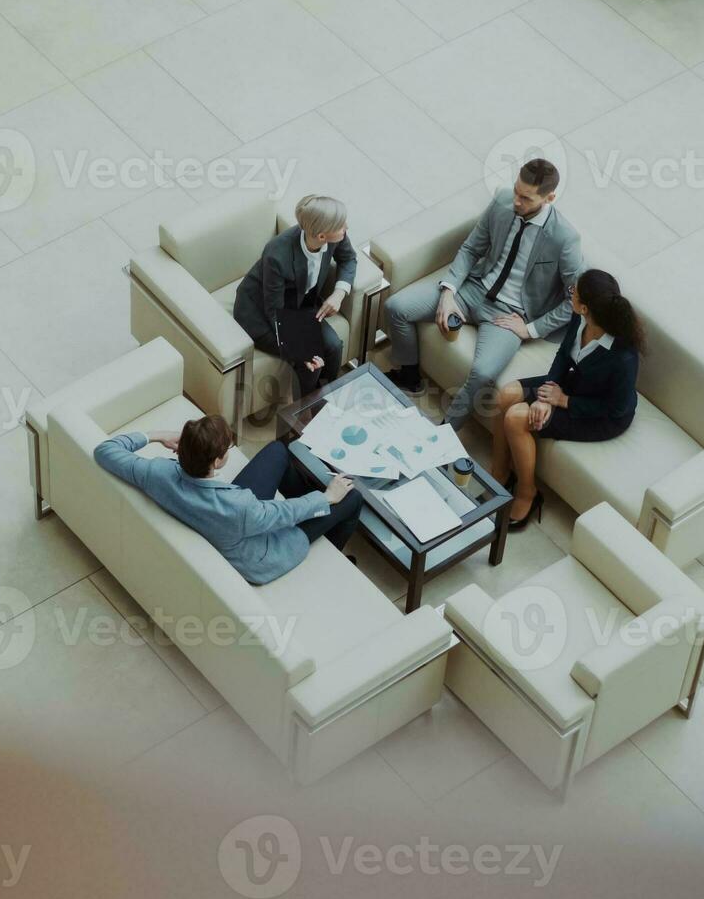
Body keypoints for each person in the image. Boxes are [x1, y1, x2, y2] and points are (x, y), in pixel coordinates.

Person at [383, 159, 585, 427]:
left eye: (526, 198)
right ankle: (410, 376)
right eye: (516, 190)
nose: (516, 201)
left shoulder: (565, 238)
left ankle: (444, 434)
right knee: (396, 306)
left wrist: (531, 329)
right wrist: (448, 292)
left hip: (510, 315)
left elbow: (577, 300)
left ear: (549, 198)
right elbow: (471, 249)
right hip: (473, 289)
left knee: (483, 371)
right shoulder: (503, 200)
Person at [93, 415, 364, 585]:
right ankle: (332, 549)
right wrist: (326, 497)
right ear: (216, 460)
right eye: (227, 448)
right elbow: (283, 513)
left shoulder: (156, 473)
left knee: (277, 450)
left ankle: (322, 505)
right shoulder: (241, 507)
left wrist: (157, 435)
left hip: (217, 515)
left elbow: (105, 450)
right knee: (351, 500)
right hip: (260, 552)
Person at [489, 268, 644, 531]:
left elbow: (617, 408)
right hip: (575, 385)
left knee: (516, 418)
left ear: (585, 307)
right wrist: (548, 392)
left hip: (601, 416)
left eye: (574, 293)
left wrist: (564, 401)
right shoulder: (580, 318)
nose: (570, 295)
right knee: (507, 395)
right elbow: (563, 355)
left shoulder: (624, 357)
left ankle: (528, 494)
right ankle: (500, 474)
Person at [232, 194, 358, 398]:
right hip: (262, 314)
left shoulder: (335, 235)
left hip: (300, 306)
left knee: (334, 346)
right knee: (311, 363)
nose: (346, 227)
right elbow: (274, 311)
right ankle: (303, 414)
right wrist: (299, 350)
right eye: (341, 225)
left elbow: (349, 259)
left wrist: (339, 293)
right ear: (322, 236)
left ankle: (327, 399)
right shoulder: (276, 254)